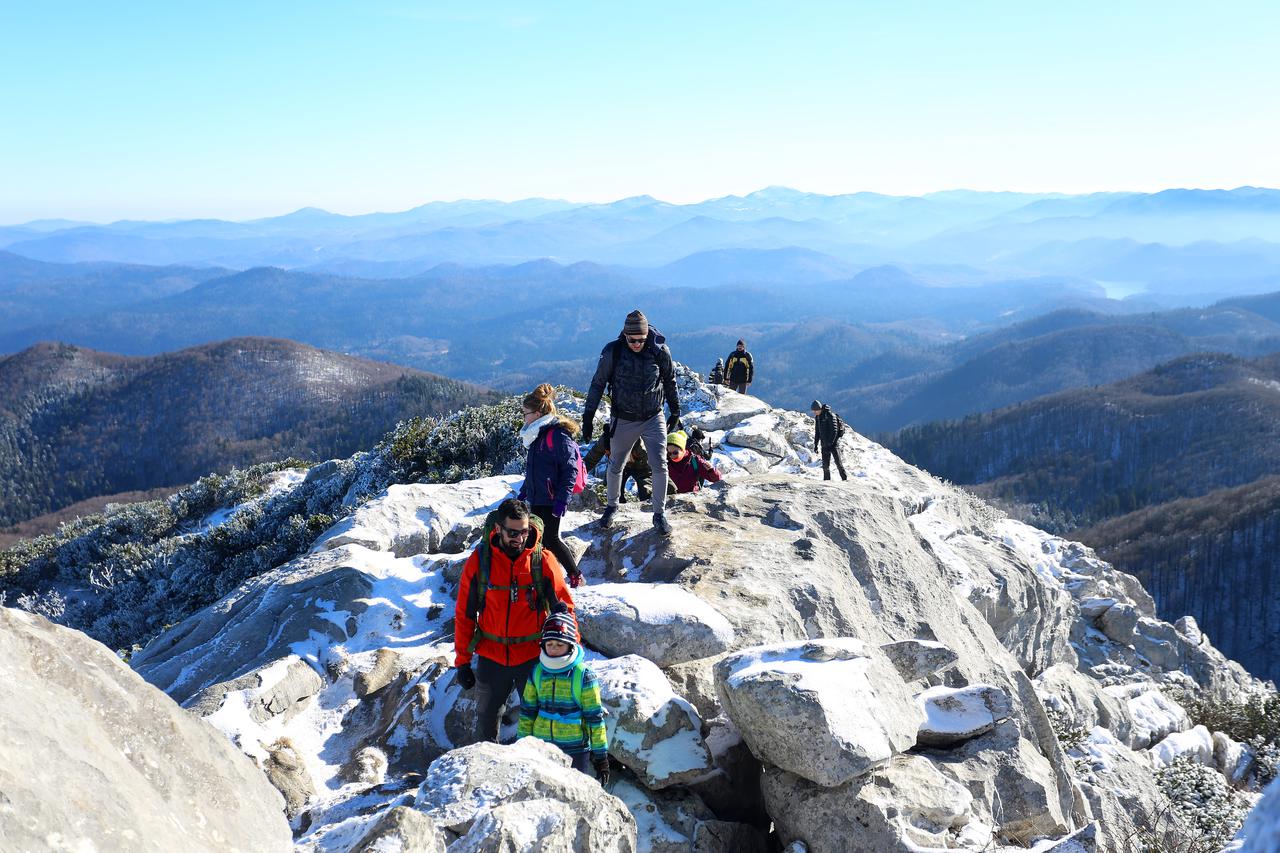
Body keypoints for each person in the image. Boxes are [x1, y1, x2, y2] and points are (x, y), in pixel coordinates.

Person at [453, 498, 576, 744]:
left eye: (524, 532)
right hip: (491, 656)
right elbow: (465, 614)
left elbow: (564, 610)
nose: (519, 538)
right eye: (512, 532)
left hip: (532, 657)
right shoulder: (480, 561)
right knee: (487, 723)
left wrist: (570, 654)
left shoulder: (542, 560)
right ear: (498, 529)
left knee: (541, 723)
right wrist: (462, 662)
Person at [582, 309, 681, 537]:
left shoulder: (659, 351)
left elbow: (669, 380)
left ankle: (659, 514)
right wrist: (588, 417)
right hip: (623, 417)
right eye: (632, 339)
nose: (636, 343)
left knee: (660, 464)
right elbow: (598, 383)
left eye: (641, 340)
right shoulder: (613, 352)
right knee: (616, 463)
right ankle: (611, 507)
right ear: (624, 335)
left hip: (652, 416)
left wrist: (675, 410)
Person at [517, 607, 610, 785]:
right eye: (549, 644)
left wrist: (600, 756)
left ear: (570, 645)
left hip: (575, 750)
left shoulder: (583, 675)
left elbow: (594, 717)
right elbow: (527, 712)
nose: (553, 650)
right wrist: (522, 744)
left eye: (559, 645)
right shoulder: (537, 672)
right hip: (541, 747)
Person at [517, 383, 584, 588]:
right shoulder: (537, 435)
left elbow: (570, 470)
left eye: (526, 413)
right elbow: (536, 469)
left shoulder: (557, 435)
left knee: (551, 539)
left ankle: (576, 576)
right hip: (538, 496)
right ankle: (544, 576)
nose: (524, 417)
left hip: (551, 498)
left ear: (537, 414)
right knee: (538, 539)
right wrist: (525, 490)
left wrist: (562, 500)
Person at [583, 436, 652, 503]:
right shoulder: (605, 440)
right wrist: (579, 473)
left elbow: (647, 472)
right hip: (617, 465)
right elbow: (590, 459)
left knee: (645, 493)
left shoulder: (640, 446)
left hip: (640, 465)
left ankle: (647, 506)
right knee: (614, 492)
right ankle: (616, 506)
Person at [810, 400, 848, 481]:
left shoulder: (830, 415)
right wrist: (816, 445)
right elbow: (817, 432)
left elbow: (834, 431)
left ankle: (845, 480)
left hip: (833, 444)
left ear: (820, 409)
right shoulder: (818, 417)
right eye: (813, 411)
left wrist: (830, 443)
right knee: (825, 466)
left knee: (838, 464)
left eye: (815, 411)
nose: (814, 413)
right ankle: (827, 482)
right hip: (824, 444)